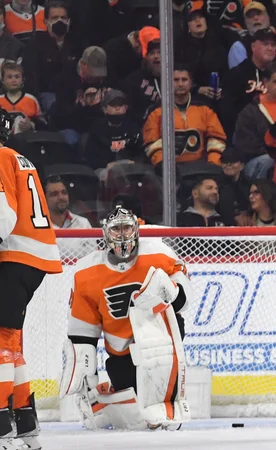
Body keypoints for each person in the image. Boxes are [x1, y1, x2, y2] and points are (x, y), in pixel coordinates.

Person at [59, 207, 192, 431]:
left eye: (127, 228)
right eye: (116, 229)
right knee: (135, 423)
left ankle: (167, 401)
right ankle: (105, 395)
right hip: (120, 353)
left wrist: (168, 288)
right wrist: (86, 379)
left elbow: (184, 302)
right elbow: (82, 335)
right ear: (105, 233)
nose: (122, 235)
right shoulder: (86, 272)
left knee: (165, 421)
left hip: (161, 346)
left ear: (137, 230)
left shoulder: (159, 254)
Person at [0, 109, 62, 450]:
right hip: (33, 258)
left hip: (14, 256)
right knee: (10, 343)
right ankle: (25, 424)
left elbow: (3, 216)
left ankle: (2, 427)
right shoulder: (19, 156)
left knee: (1, 344)